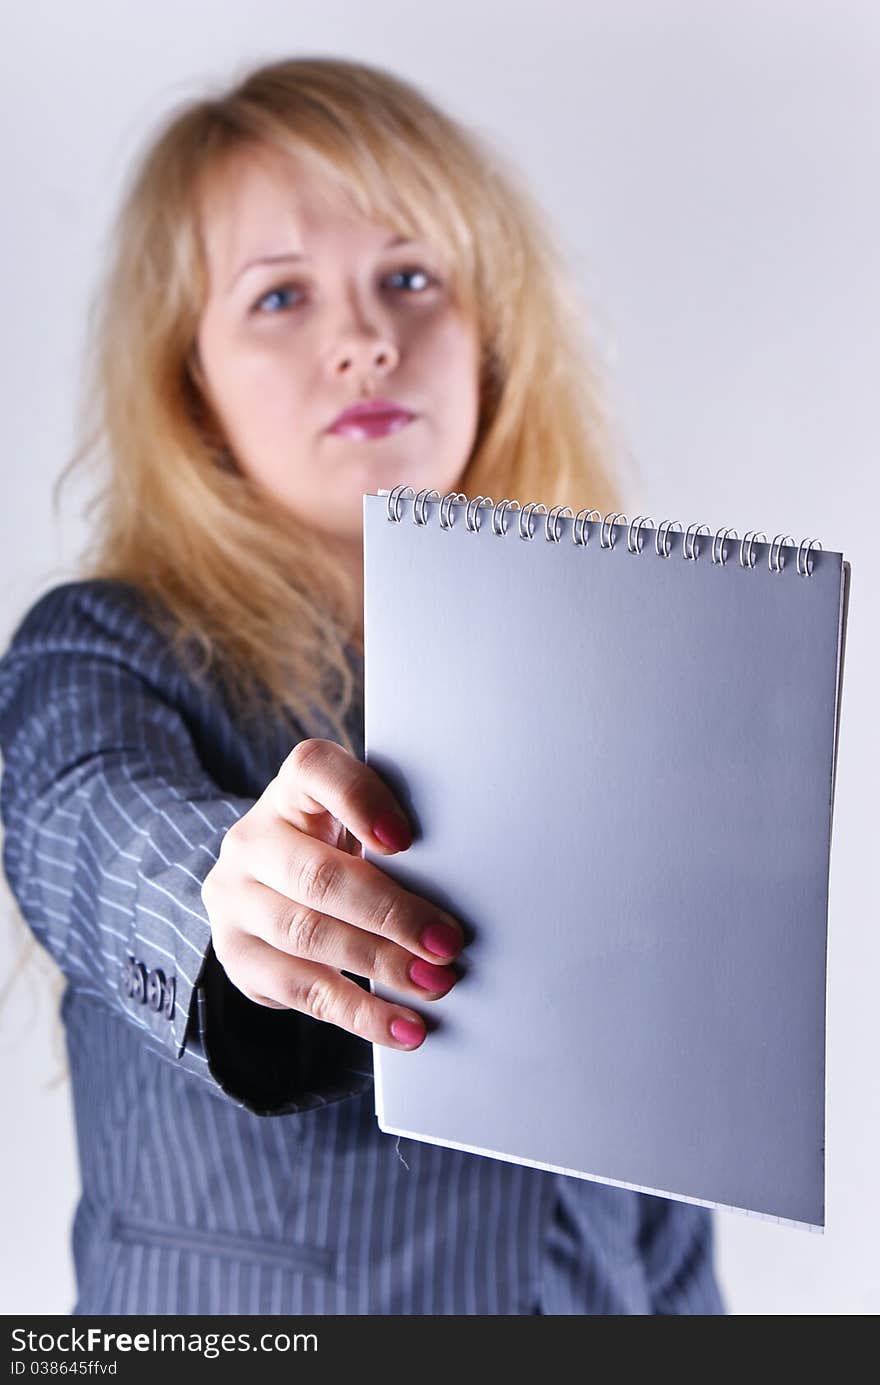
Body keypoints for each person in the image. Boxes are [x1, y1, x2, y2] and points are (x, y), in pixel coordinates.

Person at [0, 55, 726, 1315]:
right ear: (192, 381)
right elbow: (89, 816)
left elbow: (663, 1180)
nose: (364, 340)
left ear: (493, 333)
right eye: (279, 297)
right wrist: (227, 901)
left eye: (409, 277)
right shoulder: (101, 649)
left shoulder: (615, 696)